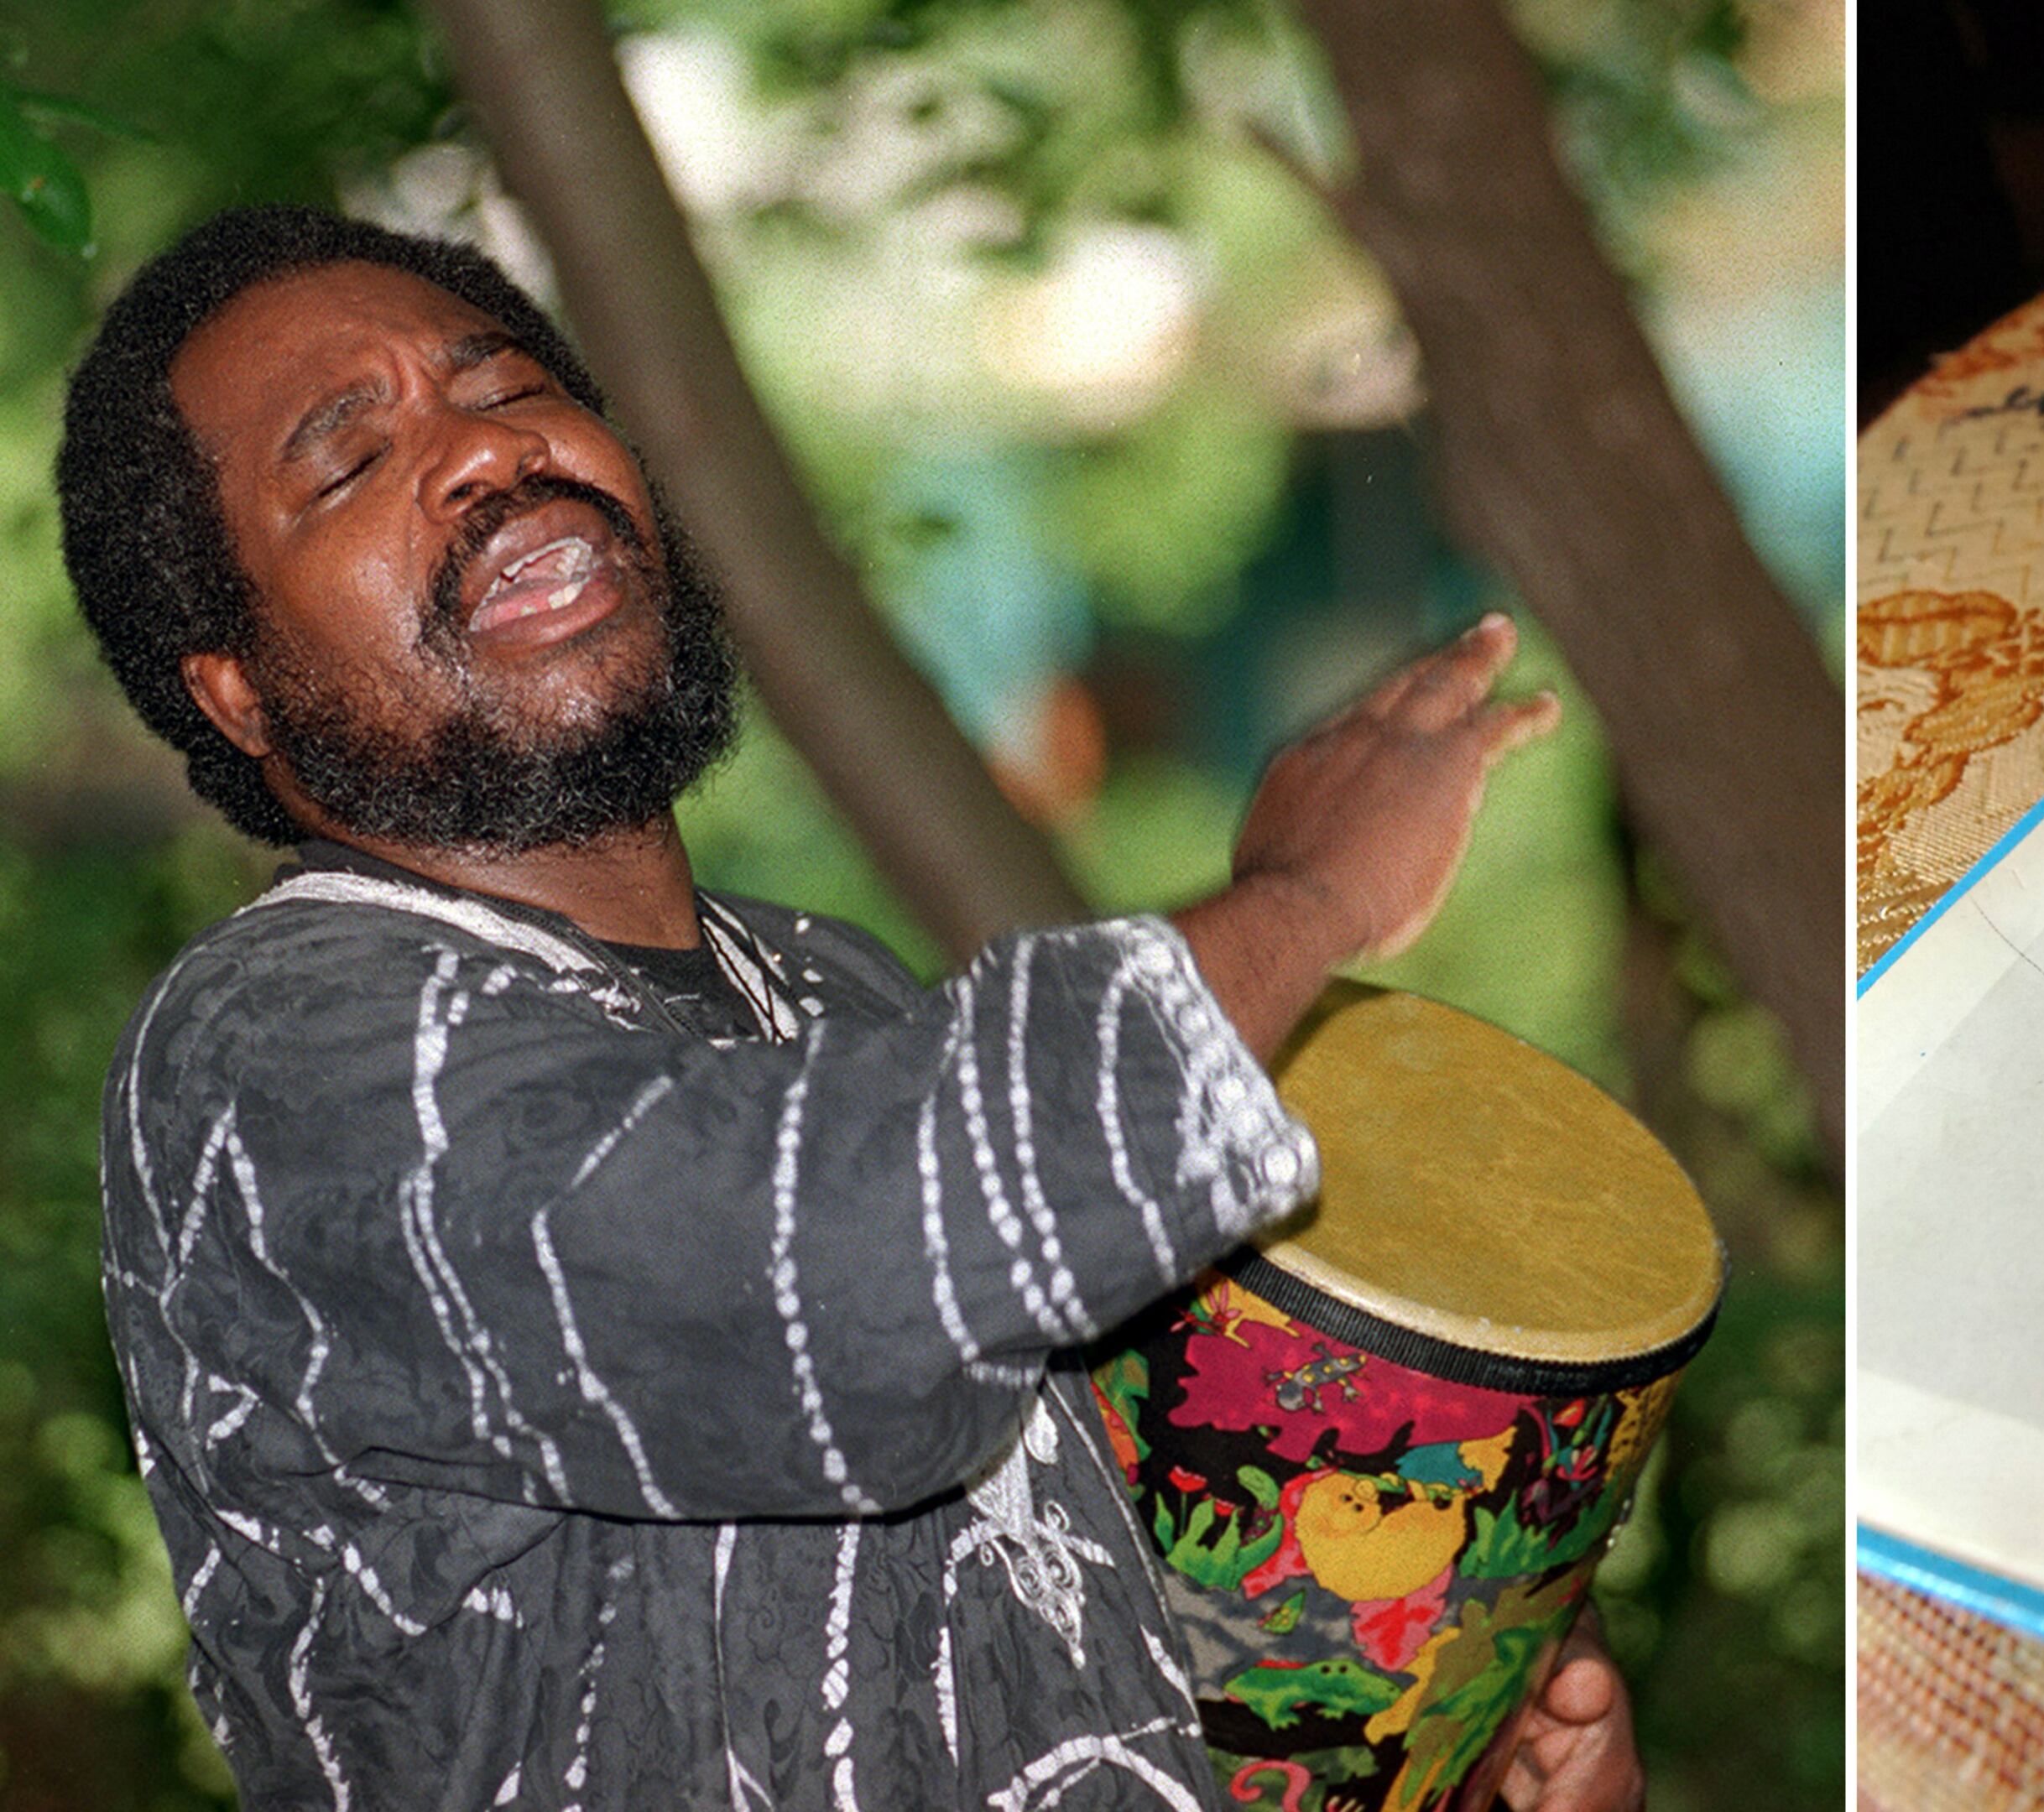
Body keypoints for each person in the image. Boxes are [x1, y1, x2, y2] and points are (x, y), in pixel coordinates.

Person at [59, 205, 1639, 1811]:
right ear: (235, 693)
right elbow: (830, 1273)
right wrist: (1307, 899)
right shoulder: (267, 1061)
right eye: (345, 461)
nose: (482, 455)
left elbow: (1060, 1615)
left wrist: (1421, 1729)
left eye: (507, 383)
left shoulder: (824, 991)